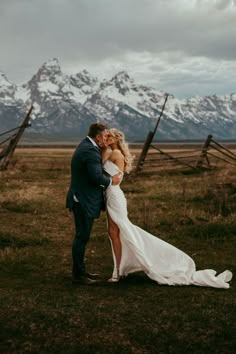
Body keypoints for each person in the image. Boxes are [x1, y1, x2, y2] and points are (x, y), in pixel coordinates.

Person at [103, 128, 233, 288]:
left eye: (108, 136)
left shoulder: (114, 154)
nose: (105, 138)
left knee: (118, 231)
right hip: (113, 195)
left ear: (115, 138)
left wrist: (102, 149)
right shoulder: (116, 153)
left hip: (114, 195)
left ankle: (118, 272)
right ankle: (119, 270)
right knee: (115, 232)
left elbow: (101, 173)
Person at [66, 123, 122, 285]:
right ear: (98, 137)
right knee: (82, 236)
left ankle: (81, 271)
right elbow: (96, 177)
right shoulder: (90, 150)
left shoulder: (88, 146)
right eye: (104, 136)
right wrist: (112, 180)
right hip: (83, 199)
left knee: (82, 236)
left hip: (82, 197)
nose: (106, 139)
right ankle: (78, 275)